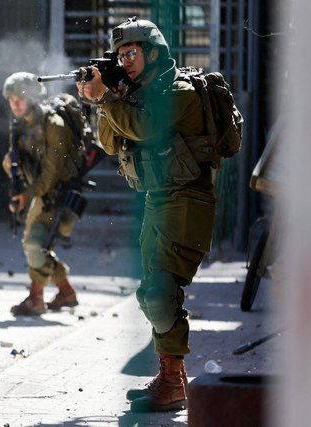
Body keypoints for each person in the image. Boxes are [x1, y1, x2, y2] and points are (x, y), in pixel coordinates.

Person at [77, 17, 218, 412]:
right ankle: (171, 378)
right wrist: (104, 99)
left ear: (154, 53)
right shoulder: (132, 94)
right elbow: (109, 143)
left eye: (132, 53)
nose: (126, 62)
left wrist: (108, 98)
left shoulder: (179, 91)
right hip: (157, 200)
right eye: (120, 56)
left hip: (188, 199)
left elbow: (144, 128)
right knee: (153, 293)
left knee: (159, 292)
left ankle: (172, 382)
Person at [1, 72, 84, 316]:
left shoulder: (54, 124)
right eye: (11, 99)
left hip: (58, 193)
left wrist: (28, 195)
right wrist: (11, 169)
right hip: (38, 193)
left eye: (20, 99)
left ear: (33, 98)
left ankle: (36, 298)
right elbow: (13, 163)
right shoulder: (18, 125)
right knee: (38, 244)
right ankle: (66, 292)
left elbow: (52, 171)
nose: (15, 104)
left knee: (35, 244)